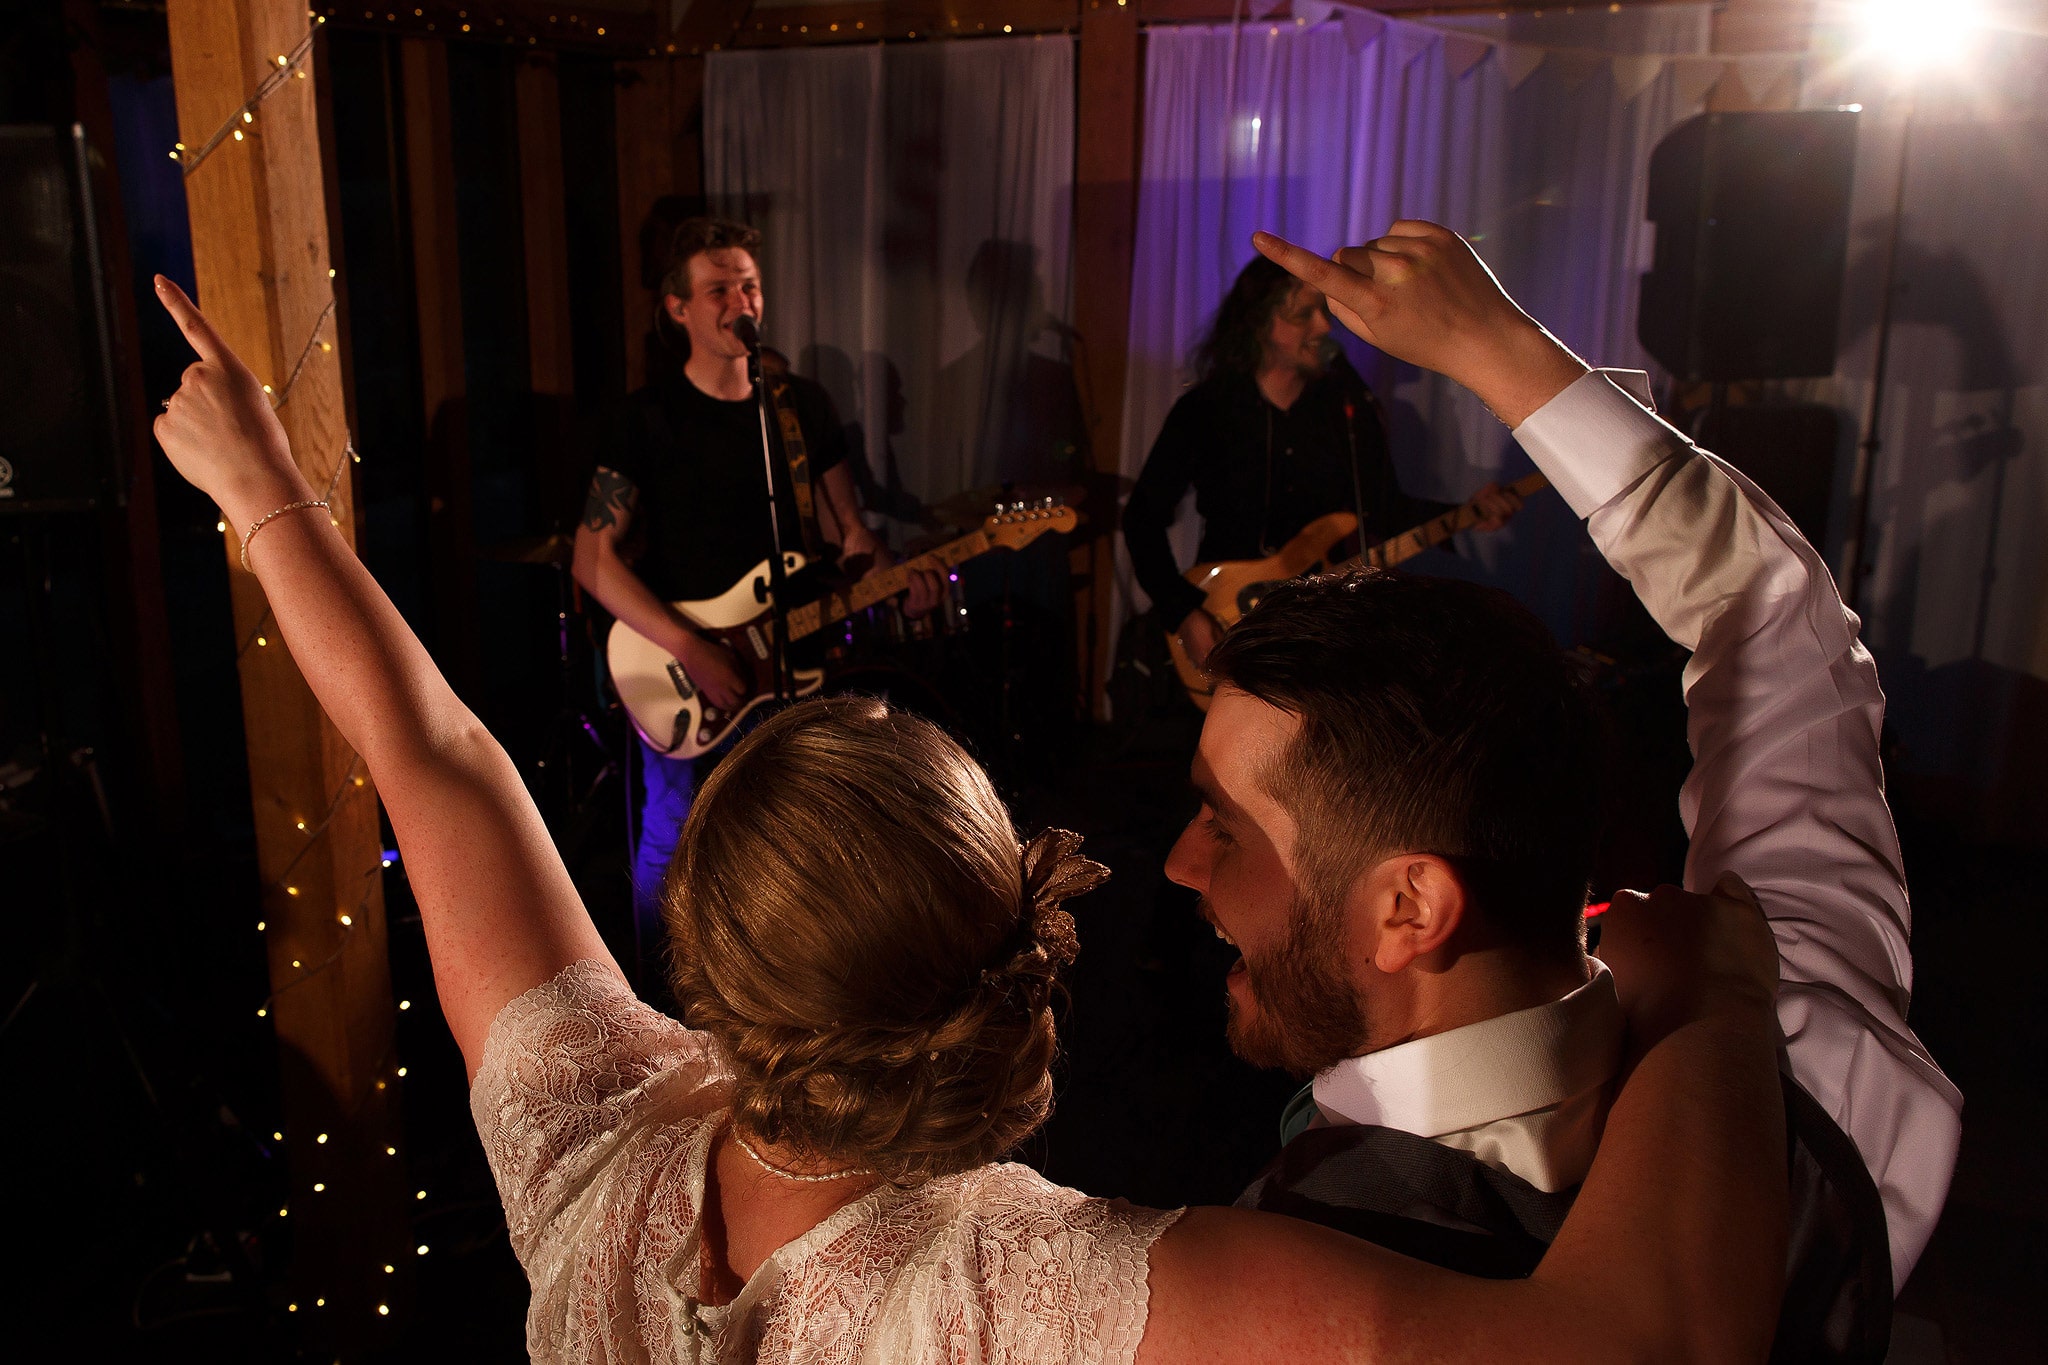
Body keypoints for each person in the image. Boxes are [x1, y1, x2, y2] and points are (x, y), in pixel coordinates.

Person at [152, 273, 1789, 1363]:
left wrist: (265, 497)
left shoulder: (586, 1142)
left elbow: (436, 757)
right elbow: (1646, 1343)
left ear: (704, 962)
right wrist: (1716, 997)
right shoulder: (1035, 1290)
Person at [1178, 223, 1961, 1312]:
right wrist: (1498, 349)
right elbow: (1779, 626)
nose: (1178, 862)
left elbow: (1768, 620)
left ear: (1410, 905)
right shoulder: (1804, 1055)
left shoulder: (1274, 1289)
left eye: (1222, 824)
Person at [569, 216, 941, 941]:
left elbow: (848, 535)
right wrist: (693, 648)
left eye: (750, 286)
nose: (741, 302)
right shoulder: (647, 419)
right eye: (719, 290)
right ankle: (660, 986)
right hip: (684, 668)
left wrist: (897, 579)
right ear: (678, 308)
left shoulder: (799, 407)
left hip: (792, 662)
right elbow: (593, 559)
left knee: (795, 832)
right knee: (675, 833)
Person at [1121, 254, 1523, 671]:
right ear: (1259, 323)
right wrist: (1183, 612)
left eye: (1324, 312)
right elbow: (1142, 518)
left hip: (1319, 627)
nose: (1324, 327)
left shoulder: (1346, 408)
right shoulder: (1206, 409)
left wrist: (1465, 513)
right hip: (1228, 618)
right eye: (1303, 315)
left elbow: (1382, 509)